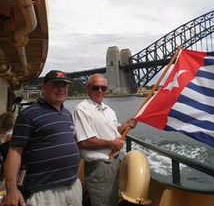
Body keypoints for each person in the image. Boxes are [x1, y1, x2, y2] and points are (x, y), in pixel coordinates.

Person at [3, 70, 82, 206]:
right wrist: (11, 189)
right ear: (44, 87)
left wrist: (78, 180)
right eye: (56, 85)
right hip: (44, 192)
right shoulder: (29, 114)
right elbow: (14, 151)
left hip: (72, 185)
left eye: (64, 86)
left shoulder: (67, 114)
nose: (61, 89)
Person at [73, 74, 137, 206]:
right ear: (88, 88)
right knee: (102, 202)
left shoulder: (109, 110)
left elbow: (114, 131)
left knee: (111, 200)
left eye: (104, 88)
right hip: (99, 166)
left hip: (114, 163)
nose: (100, 91)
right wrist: (112, 144)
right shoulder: (82, 110)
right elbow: (84, 142)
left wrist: (125, 126)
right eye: (96, 88)